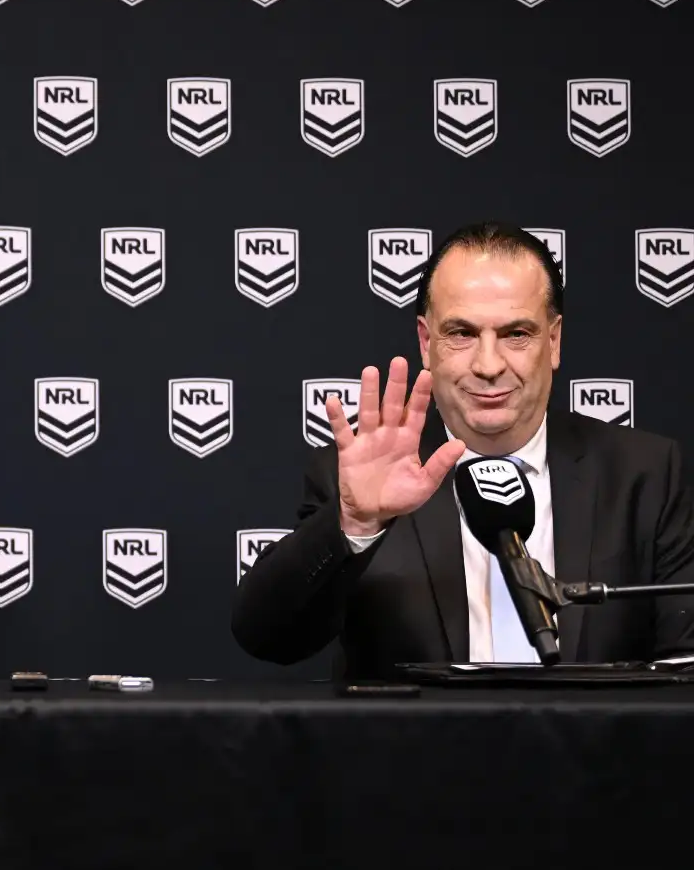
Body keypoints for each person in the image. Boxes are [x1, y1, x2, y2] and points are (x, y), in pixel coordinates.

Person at [231, 220, 694, 680]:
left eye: (516, 334)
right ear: (426, 342)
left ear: (553, 341)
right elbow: (268, 638)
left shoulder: (644, 474)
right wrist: (355, 524)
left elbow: (684, 664)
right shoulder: (359, 477)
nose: (488, 365)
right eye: (462, 333)